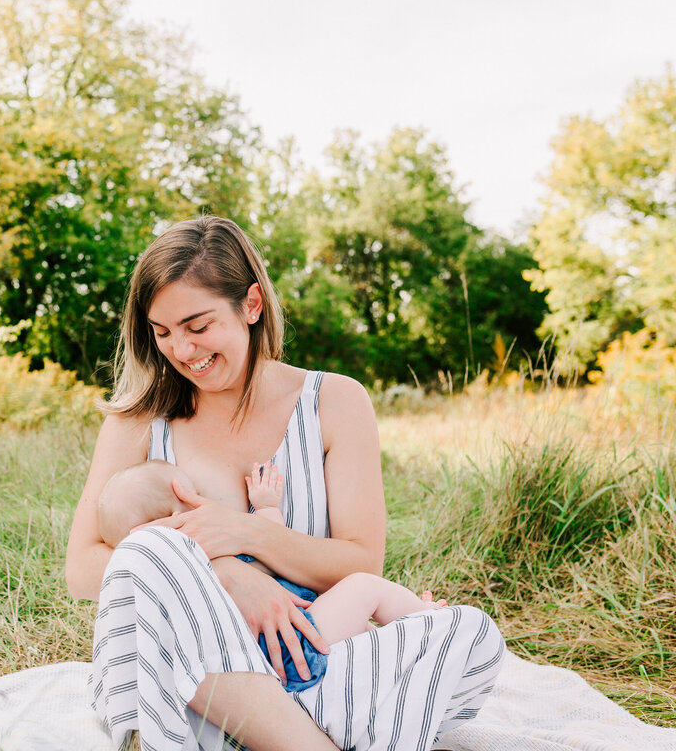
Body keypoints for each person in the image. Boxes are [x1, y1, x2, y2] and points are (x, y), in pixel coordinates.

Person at [64, 216, 505, 751]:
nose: (181, 350)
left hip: (313, 659)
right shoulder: (137, 420)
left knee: (472, 635)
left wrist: (245, 535)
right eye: (162, 333)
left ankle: (298, 727)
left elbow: (361, 564)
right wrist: (223, 572)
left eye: (197, 326)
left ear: (251, 305)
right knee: (149, 550)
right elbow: (85, 570)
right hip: (193, 691)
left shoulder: (335, 403)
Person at [96, 458, 447, 691]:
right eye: (195, 494)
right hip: (297, 645)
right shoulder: (208, 550)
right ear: (178, 510)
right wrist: (264, 508)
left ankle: (408, 641)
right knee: (364, 587)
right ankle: (426, 618)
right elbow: (268, 560)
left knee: (366, 635)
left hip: (277, 665)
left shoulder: (170, 583)